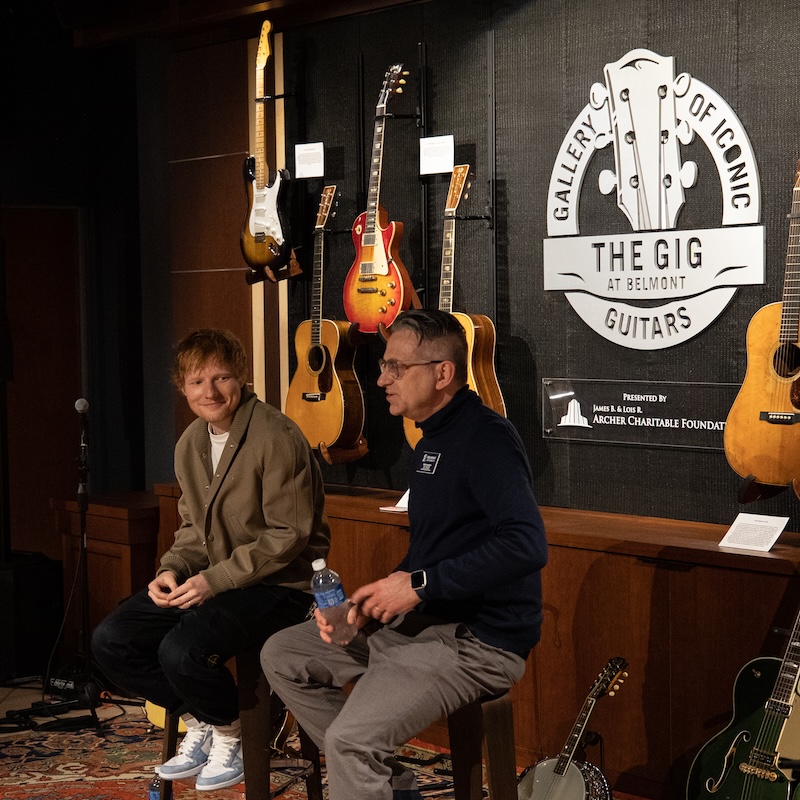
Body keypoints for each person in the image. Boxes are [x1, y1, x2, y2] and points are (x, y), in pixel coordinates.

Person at [261, 308, 548, 800]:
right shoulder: (429, 438)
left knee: (350, 743)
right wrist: (367, 611)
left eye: (397, 367)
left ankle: (366, 768)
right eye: (384, 365)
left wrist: (417, 586)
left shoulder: (487, 438)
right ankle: (392, 788)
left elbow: (527, 544)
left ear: (443, 373)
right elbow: (434, 551)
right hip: (424, 624)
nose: (381, 378)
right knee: (284, 654)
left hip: (478, 640)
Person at [92, 328, 330, 792]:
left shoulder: (277, 435)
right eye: (197, 382)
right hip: (218, 582)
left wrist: (213, 581)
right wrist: (170, 570)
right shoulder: (189, 444)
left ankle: (231, 733)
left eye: (221, 378)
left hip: (281, 587)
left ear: (241, 378)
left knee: (181, 650)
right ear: (182, 387)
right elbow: (192, 532)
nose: (210, 392)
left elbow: (289, 536)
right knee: (112, 639)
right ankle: (201, 717)